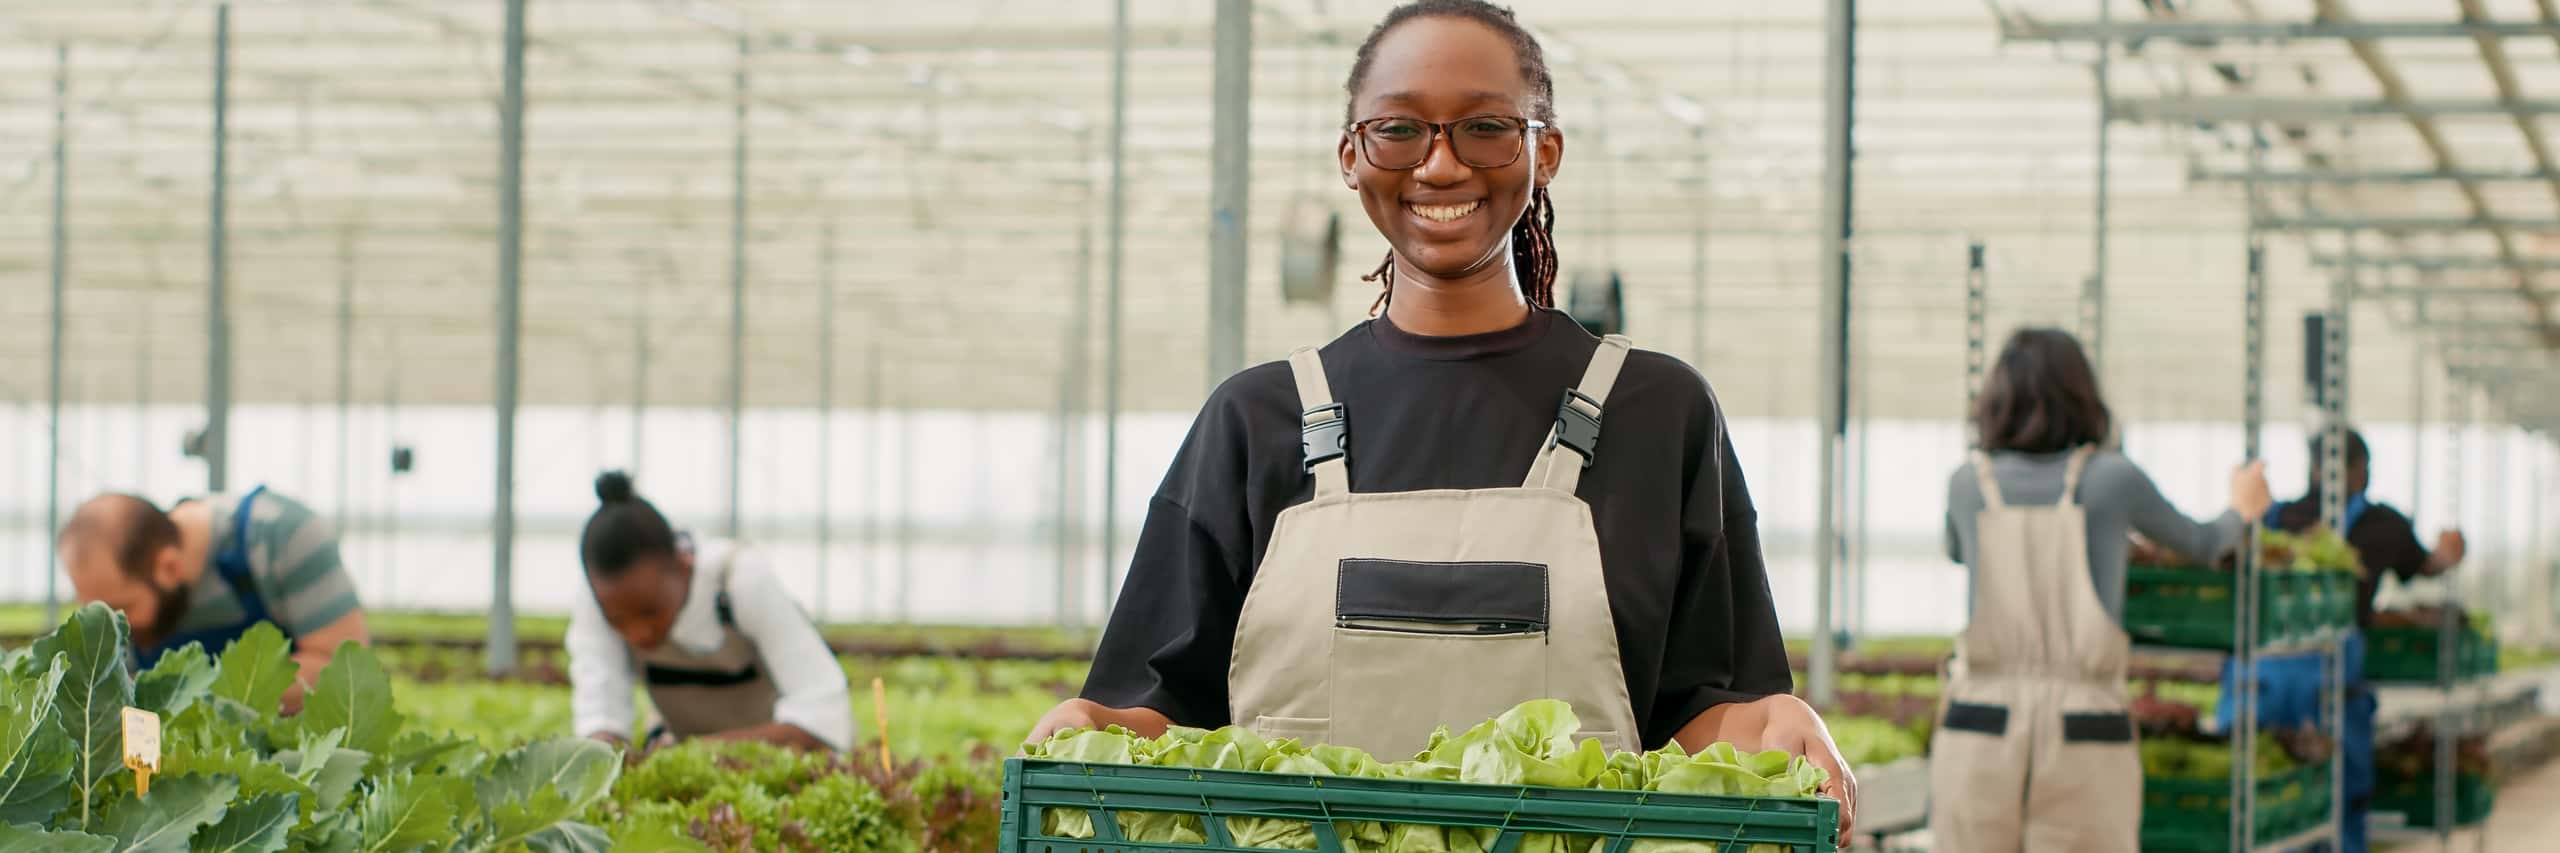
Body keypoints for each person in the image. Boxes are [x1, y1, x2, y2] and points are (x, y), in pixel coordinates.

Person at [1025, 0, 1856, 839]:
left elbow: (1703, 709)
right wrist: (1097, 726)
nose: (1442, 165)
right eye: (1400, 130)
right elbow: (1170, 707)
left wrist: (1773, 724)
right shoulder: (1254, 420)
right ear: (1352, 157)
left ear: (1546, 151)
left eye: (1486, 128)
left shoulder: (1659, 414)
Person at [1935, 328, 2272, 852]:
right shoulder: (2111, 479)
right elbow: (2203, 543)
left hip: (1979, 725)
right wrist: (2243, 509)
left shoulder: (1966, 483)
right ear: (2082, 395)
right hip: (2083, 729)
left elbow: (1960, 552)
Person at [2221, 428, 2465, 853]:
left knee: (2258, 803)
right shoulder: (2384, 524)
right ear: (2359, 470)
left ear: (2313, 467)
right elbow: (2429, 565)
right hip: (2331, 693)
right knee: (2338, 807)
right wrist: (2451, 552)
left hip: (2260, 686)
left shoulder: (2276, 519)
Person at [565, 471, 852, 753]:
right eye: (618, 622)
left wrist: (696, 753)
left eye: (651, 612)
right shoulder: (603, 601)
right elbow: (600, 713)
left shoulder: (741, 581)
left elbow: (823, 715)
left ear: (682, 563)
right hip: (688, 767)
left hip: (777, 767)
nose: (637, 633)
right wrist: (605, 753)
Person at [57, 486, 370, 715]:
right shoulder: (128, 587)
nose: (111, 626)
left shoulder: (282, 539)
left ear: (169, 567)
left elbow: (341, 665)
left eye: (121, 608)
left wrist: (203, 695)